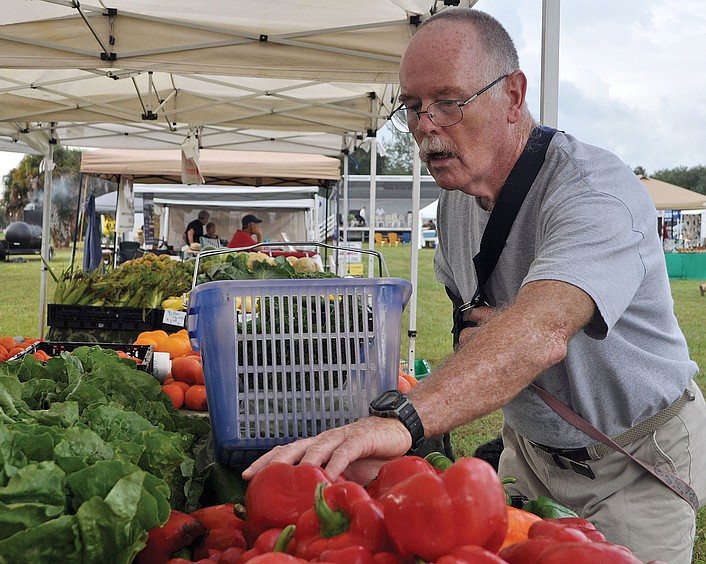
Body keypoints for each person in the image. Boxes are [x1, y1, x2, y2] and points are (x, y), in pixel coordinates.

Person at [243, 9, 706, 564]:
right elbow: (477, 334)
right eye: (412, 107)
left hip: (631, 459)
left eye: (448, 101)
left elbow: (542, 329)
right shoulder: (453, 208)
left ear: (513, 95)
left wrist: (402, 421)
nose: (425, 126)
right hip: (529, 457)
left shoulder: (594, 192)